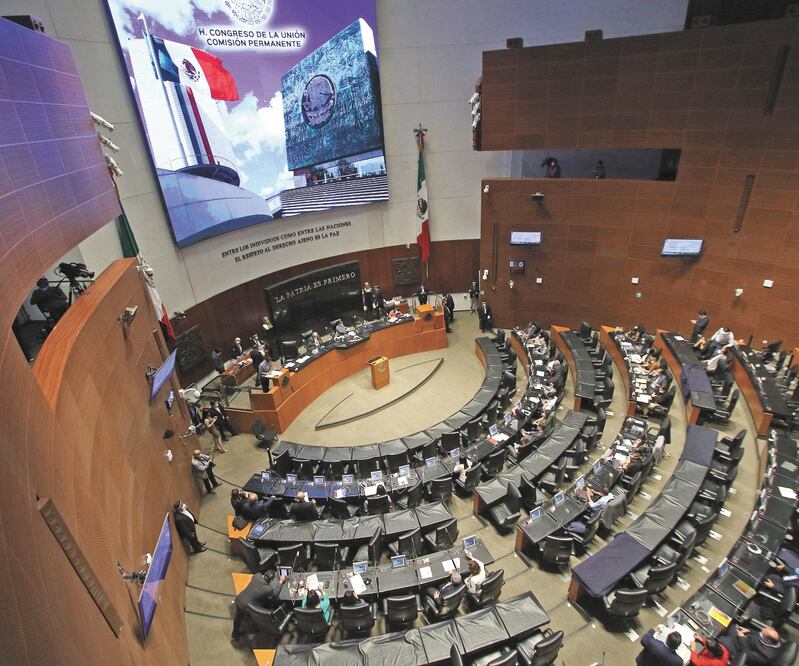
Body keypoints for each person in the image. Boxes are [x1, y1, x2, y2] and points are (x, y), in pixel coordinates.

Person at [231, 569, 285, 639]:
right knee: (254, 617)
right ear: (271, 580)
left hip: (240, 599)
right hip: (247, 607)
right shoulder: (268, 589)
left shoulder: (257, 575)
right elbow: (275, 594)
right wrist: (281, 581)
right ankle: (253, 629)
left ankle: (234, 633)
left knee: (238, 617)